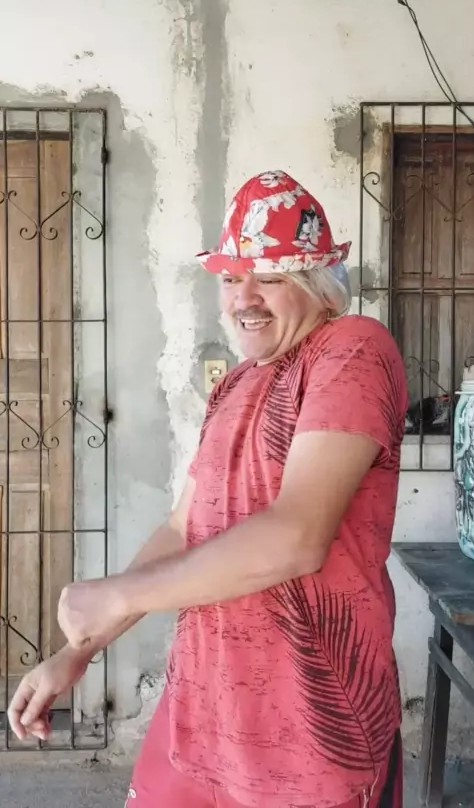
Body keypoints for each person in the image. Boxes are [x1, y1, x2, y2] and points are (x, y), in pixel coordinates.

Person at [9, 170, 408, 808]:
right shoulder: (237, 385)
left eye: (269, 277)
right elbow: (182, 529)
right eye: (229, 278)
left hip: (308, 733)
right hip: (202, 707)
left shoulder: (352, 350)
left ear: (317, 283)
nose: (243, 298)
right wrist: (80, 650)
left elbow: (297, 537)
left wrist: (115, 595)